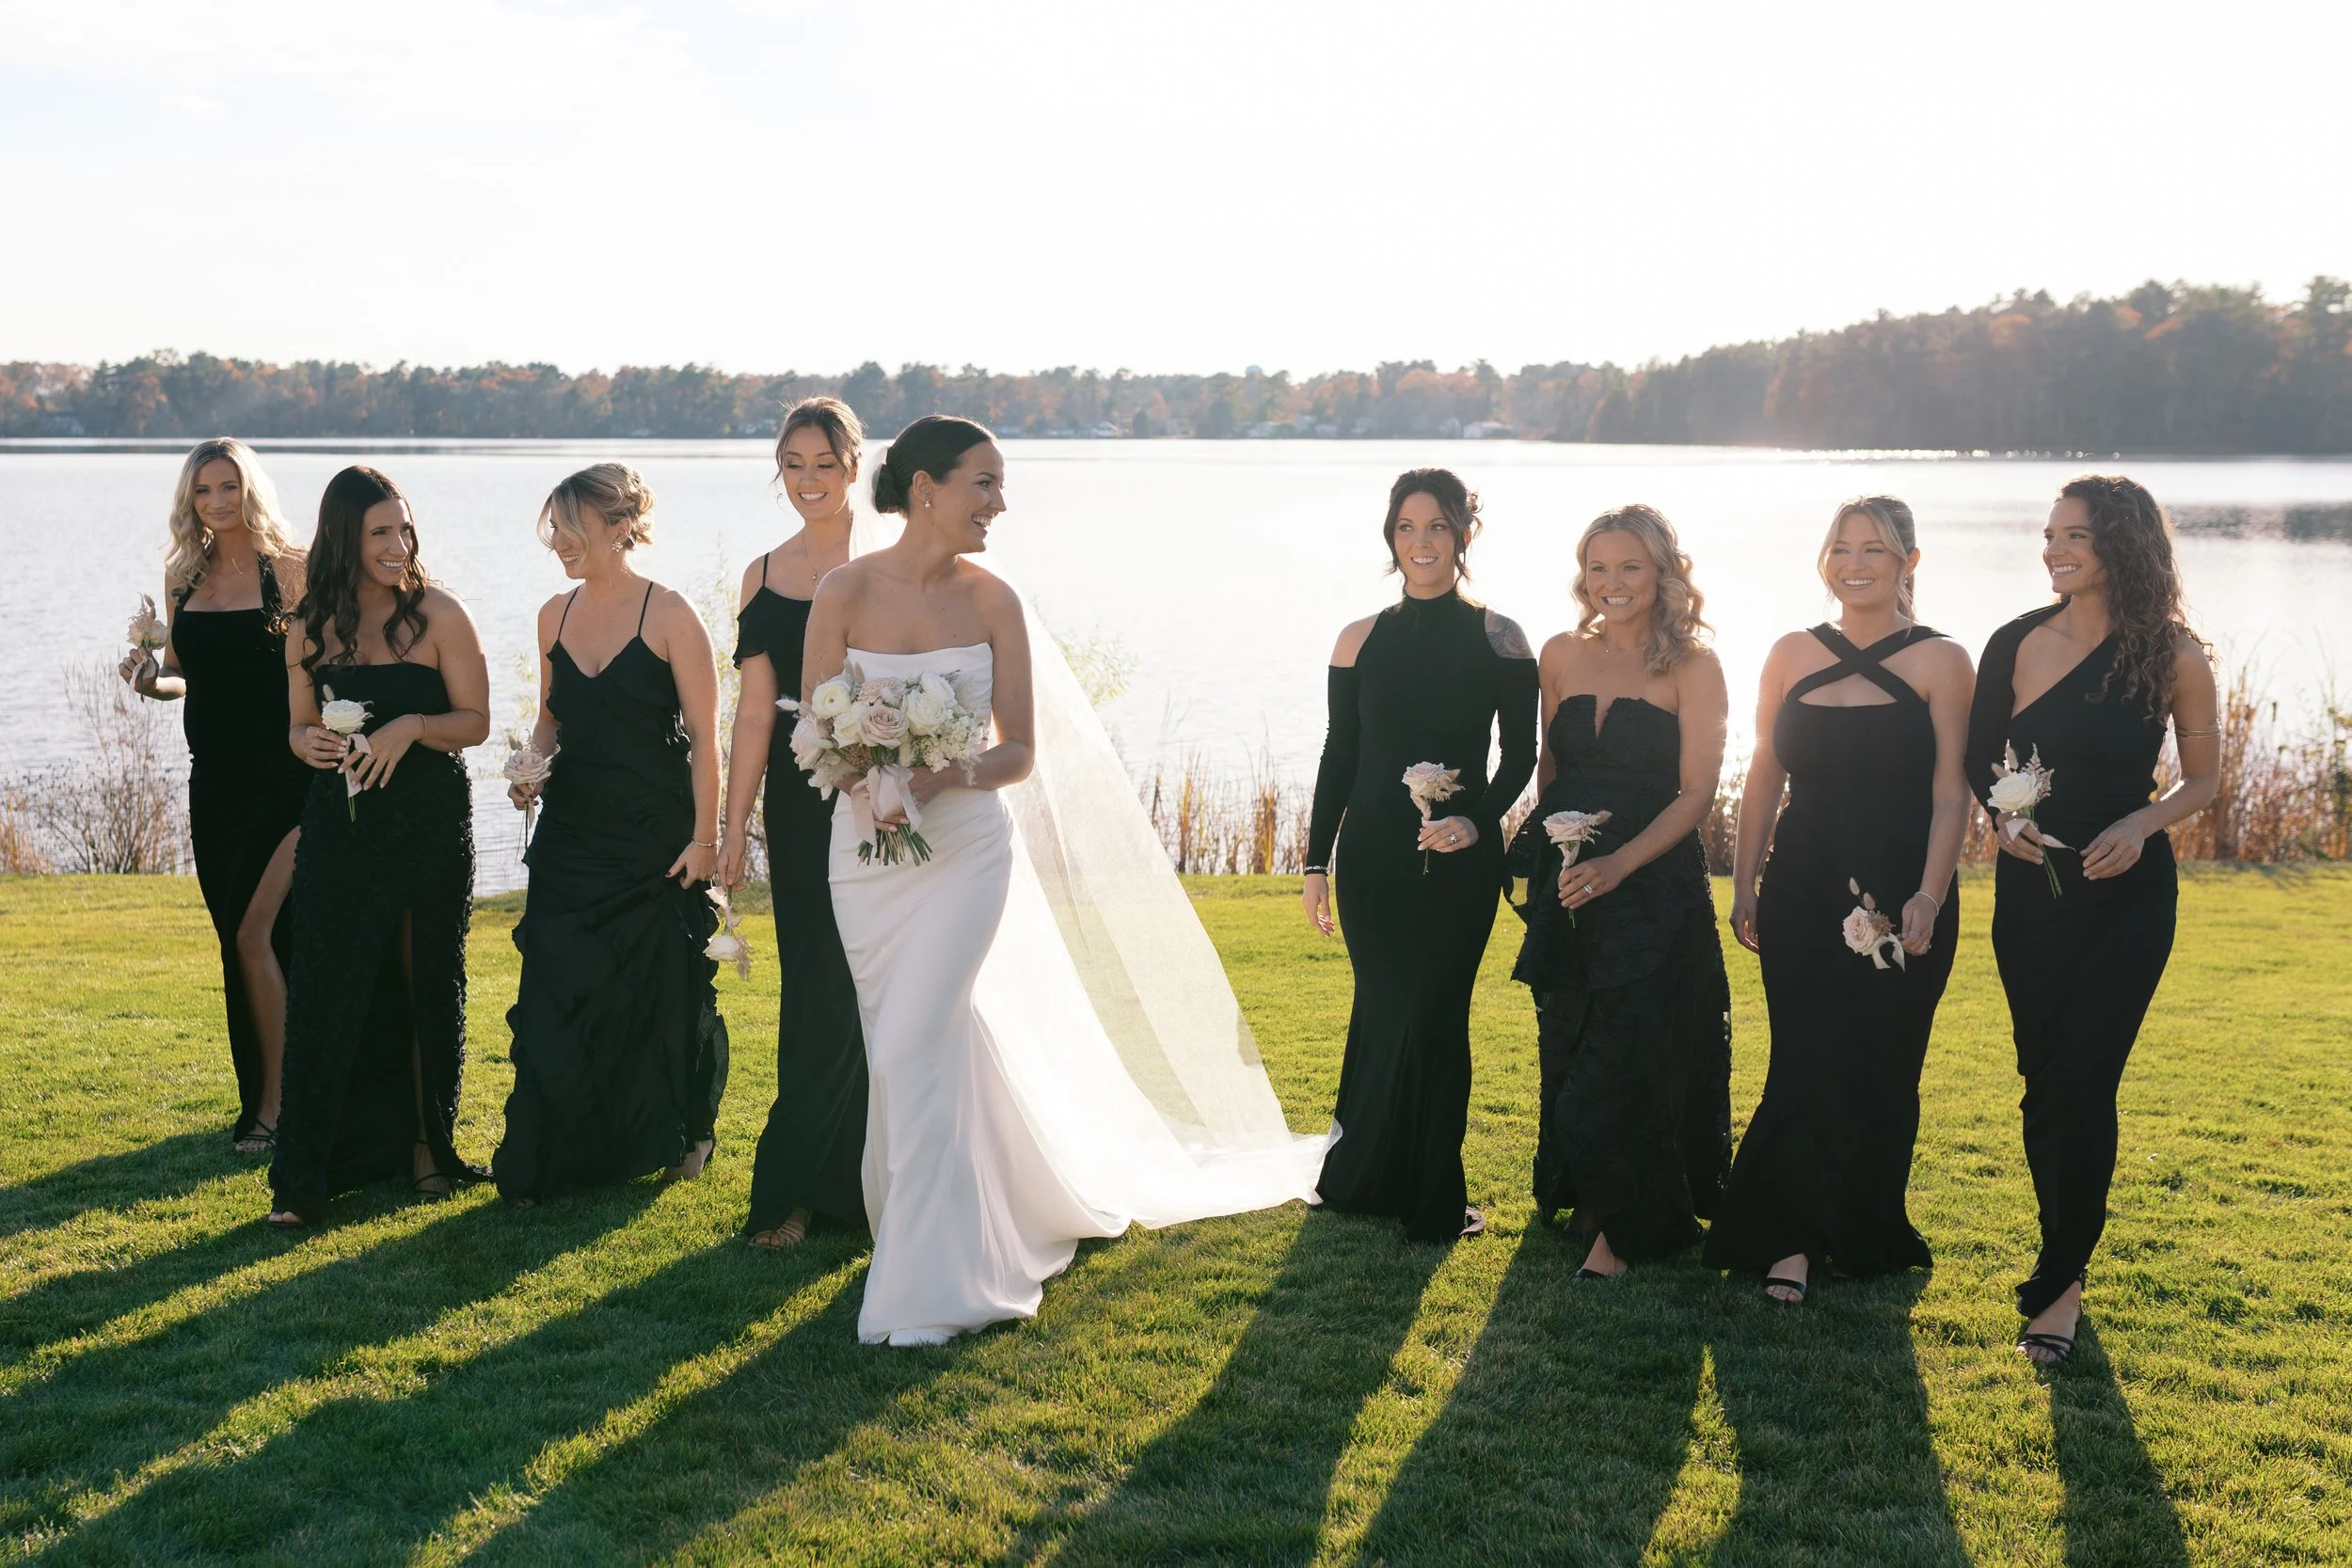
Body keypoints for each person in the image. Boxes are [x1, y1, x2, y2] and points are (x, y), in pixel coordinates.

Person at [803, 415, 1325, 1346]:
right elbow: (819, 729)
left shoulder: (994, 601)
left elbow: (1019, 753)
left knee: (914, 1041)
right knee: (911, 1045)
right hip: (868, 858)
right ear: (925, 487)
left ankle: (926, 1284)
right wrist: (867, 778)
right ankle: (959, 1219)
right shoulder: (841, 590)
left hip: (965, 850)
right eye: (985, 484)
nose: (999, 504)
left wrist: (932, 774)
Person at [1966, 474, 2218, 1366]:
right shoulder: (2012, 642)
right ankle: (2059, 1240)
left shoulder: (2173, 656)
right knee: (2043, 1079)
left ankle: (2063, 1279)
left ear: (2121, 542)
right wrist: (2003, 816)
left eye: (2072, 534)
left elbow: (2204, 779)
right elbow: (1977, 756)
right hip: (2032, 894)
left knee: (2087, 1077)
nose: (2053, 548)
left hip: (2128, 897)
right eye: (2047, 534)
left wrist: (2143, 822)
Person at [1705, 497, 1974, 1301]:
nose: (1855, 563)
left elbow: (1950, 790)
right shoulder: (1789, 651)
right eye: (1842, 548)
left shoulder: (1942, 660)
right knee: (1804, 1057)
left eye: (1876, 550)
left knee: (1883, 1064)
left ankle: (1861, 1231)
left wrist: (1929, 893)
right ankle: (1788, 1239)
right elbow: (1762, 772)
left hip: (1903, 891)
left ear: (1909, 564)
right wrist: (1744, 877)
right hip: (1800, 885)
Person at [1300, 469, 1539, 1243]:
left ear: (1464, 534)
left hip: (1460, 860)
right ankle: (1363, 1178)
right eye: (1407, 527)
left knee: (1437, 1015)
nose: (1422, 542)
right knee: (1380, 1009)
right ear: (1390, 536)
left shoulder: (1502, 637)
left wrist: (1477, 821)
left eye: (1437, 526)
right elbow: (1341, 757)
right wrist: (1314, 864)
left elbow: (1522, 755)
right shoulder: (1357, 638)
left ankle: (1434, 1192)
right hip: (1371, 853)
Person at [494, 464, 730, 1206]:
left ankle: (687, 1131)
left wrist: (705, 839)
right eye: (554, 529)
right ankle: (567, 1139)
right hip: (571, 834)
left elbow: (706, 740)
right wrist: (531, 766)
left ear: (620, 526)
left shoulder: (670, 614)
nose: (560, 543)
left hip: (653, 835)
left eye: (573, 528)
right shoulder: (552, 616)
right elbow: (551, 717)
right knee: (561, 983)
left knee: (662, 985)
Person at [1510, 504, 1732, 1279]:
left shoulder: (1696, 666)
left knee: (1636, 1048)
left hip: (1653, 885)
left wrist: (1620, 864)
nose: (1613, 583)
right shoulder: (1560, 653)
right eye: (1598, 568)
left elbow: (1697, 792)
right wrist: (1556, 851)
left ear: (1664, 572)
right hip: (1568, 880)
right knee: (1568, 1037)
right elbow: (1549, 766)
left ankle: (1630, 1228)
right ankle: (1591, 1196)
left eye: (1630, 566)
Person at [267, 466, 490, 1225]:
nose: (398, 545)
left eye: (404, 528)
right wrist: (310, 744)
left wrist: (412, 728)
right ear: (344, 538)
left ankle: (430, 1149)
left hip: (428, 821)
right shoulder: (308, 623)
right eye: (380, 533)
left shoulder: (441, 614)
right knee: (326, 983)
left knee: (425, 973)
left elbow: (476, 721)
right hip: (343, 823)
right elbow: (298, 725)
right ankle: (305, 1173)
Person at [120, 437, 310, 1152]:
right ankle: (282, 1089)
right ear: (190, 500)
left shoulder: (290, 571)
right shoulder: (183, 575)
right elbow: (180, 673)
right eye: (204, 491)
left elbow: (321, 667)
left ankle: (275, 1106)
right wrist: (148, 681)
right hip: (217, 788)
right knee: (241, 941)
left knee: (257, 932)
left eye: (229, 486)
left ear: (250, 489)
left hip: (287, 782)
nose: (217, 502)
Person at [719, 398, 872, 1249]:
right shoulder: (761, 574)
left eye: (823, 462)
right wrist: (733, 823)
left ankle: (889, 1180)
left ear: (856, 465)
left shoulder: (888, 560)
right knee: (815, 980)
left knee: (883, 979)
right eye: (792, 465)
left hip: (888, 789)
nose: (808, 481)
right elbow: (750, 714)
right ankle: (803, 1191)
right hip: (800, 792)